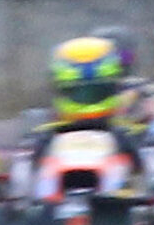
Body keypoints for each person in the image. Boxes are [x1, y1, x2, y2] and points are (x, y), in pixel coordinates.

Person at [8, 34, 143, 206]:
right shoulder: (43, 137)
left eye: (95, 92)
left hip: (117, 213)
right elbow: (19, 188)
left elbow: (151, 183)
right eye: (79, 93)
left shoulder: (128, 135)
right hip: (46, 212)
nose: (86, 98)